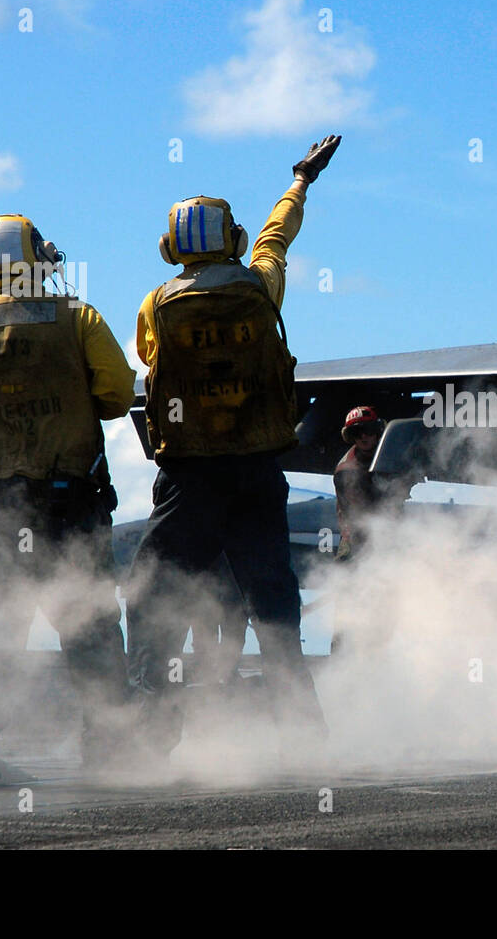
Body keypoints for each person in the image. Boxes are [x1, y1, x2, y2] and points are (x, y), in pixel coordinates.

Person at [124, 136, 341, 757]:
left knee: (153, 597)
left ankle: (149, 731)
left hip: (189, 479)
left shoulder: (156, 304)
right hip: (256, 472)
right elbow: (280, 234)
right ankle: (303, 733)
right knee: (273, 603)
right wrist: (300, 179)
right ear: (234, 240)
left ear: (172, 249)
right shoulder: (260, 286)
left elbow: (148, 360)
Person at [0, 214, 135, 767]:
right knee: (86, 620)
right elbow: (116, 393)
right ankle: (111, 739)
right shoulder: (79, 319)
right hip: (68, 500)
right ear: (38, 260)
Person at [333, 405, 386, 562]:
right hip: (359, 530)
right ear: (351, 437)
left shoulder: (392, 454)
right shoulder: (346, 471)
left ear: (376, 431)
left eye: (368, 430)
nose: (363, 437)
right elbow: (353, 514)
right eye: (357, 433)